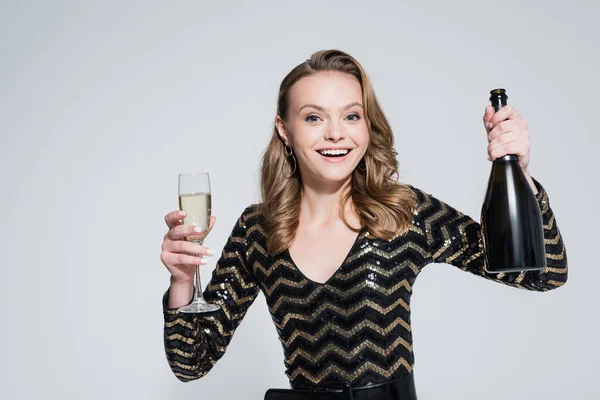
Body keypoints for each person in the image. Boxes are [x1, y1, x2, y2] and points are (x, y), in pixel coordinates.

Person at [159, 50, 568, 400]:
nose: (336, 133)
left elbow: (544, 273)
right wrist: (182, 281)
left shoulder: (403, 211)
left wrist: (523, 176)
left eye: (351, 115)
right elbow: (191, 363)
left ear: (367, 126)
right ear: (285, 129)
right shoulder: (257, 229)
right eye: (314, 118)